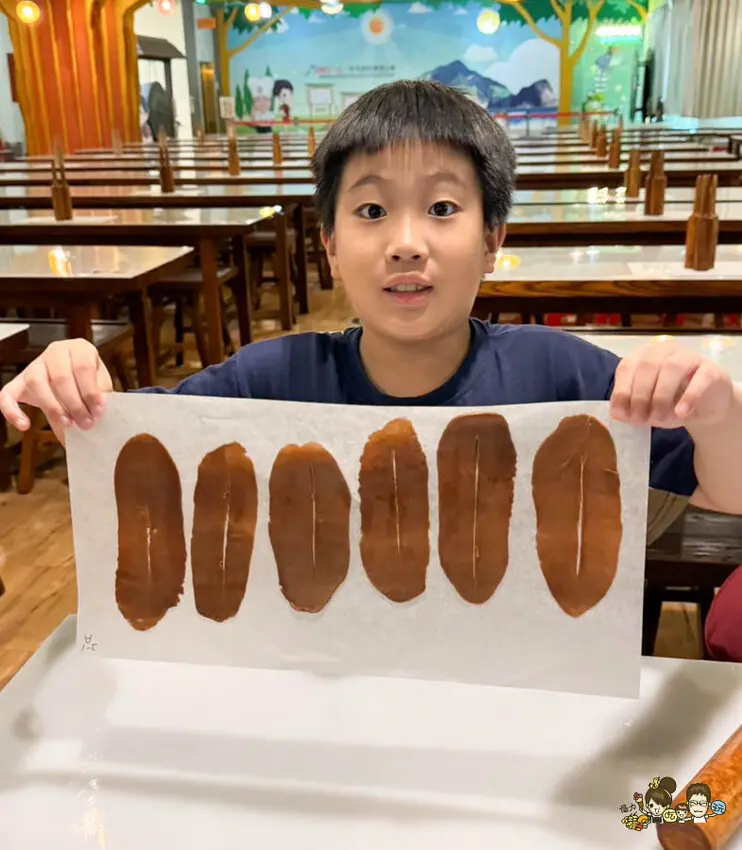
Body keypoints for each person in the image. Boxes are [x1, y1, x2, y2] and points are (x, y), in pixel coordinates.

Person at [1, 80, 742, 522]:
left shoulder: (562, 376)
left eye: (443, 209)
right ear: (329, 245)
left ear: (493, 240)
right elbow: (128, 444)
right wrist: (71, 382)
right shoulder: (270, 380)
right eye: (372, 211)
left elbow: (725, 496)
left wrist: (716, 415)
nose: (406, 243)